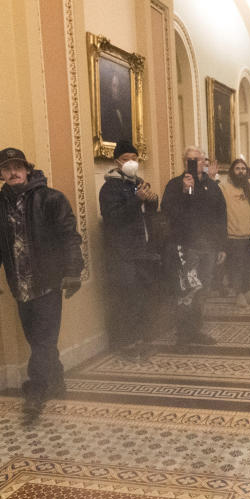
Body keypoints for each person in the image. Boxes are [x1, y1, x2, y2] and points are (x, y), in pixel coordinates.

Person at [0, 147, 83, 423]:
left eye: (17, 166)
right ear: (0, 174)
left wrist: (73, 271)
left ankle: (35, 391)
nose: (13, 172)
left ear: (27, 169)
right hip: (20, 286)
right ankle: (57, 380)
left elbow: (69, 237)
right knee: (39, 340)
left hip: (47, 282)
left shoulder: (51, 199)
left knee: (42, 341)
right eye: (6, 168)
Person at [98, 139, 160, 359]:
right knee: (126, 299)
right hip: (121, 253)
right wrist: (136, 200)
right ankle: (126, 344)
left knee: (142, 297)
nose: (132, 162)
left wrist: (151, 200)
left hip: (141, 249)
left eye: (135, 159)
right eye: (127, 159)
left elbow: (148, 214)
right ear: (117, 162)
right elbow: (113, 218)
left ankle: (141, 340)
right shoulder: (109, 188)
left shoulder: (139, 182)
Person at [161, 147, 227, 350]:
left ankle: (195, 329)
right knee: (186, 290)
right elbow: (170, 212)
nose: (196, 163)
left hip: (208, 246)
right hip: (186, 245)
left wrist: (222, 245)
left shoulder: (211, 185)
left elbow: (220, 215)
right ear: (184, 162)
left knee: (203, 289)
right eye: (191, 160)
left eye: (199, 160)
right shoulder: (175, 185)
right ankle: (183, 334)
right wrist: (185, 191)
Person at [220, 156, 250, 306]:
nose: (241, 171)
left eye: (243, 169)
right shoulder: (224, 187)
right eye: (238, 168)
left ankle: (246, 291)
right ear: (232, 171)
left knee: (249, 266)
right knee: (236, 267)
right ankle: (238, 293)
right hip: (234, 236)